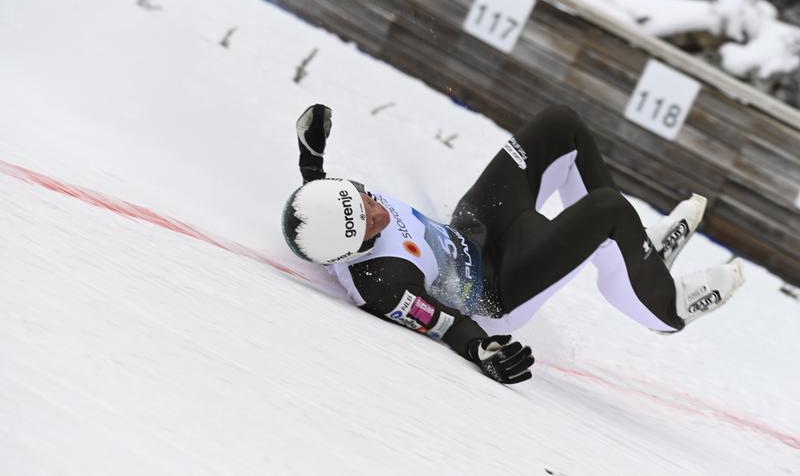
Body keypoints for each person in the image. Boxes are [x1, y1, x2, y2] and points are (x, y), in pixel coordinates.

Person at [281, 104, 745, 385]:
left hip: (473, 230)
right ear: (350, 250)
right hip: (499, 286)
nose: (374, 208)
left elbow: (320, 192)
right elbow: (445, 324)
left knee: (560, 126)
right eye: (366, 222)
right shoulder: (381, 282)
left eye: (361, 199)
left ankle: (640, 256)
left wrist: (311, 155)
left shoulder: (335, 208)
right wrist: (483, 353)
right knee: (608, 209)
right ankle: (667, 306)